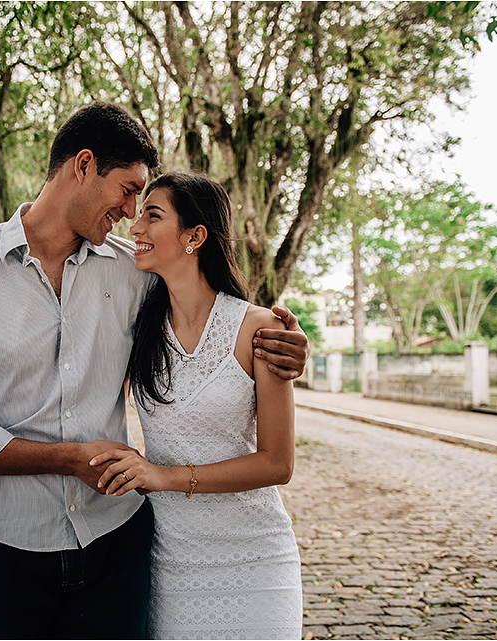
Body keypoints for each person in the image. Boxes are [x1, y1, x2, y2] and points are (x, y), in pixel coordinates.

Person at [0, 102, 308, 639]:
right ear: (84, 165)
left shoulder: (135, 272)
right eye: (127, 189)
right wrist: (68, 460)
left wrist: (284, 343)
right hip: (2, 547)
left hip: (115, 542)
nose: (130, 211)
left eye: (145, 204)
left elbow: (209, 312)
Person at [89, 172, 303, 639]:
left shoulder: (260, 329)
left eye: (153, 215)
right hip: (173, 562)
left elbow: (278, 463)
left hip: (257, 558)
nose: (136, 226)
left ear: (194, 236)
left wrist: (163, 476)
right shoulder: (138, 329)